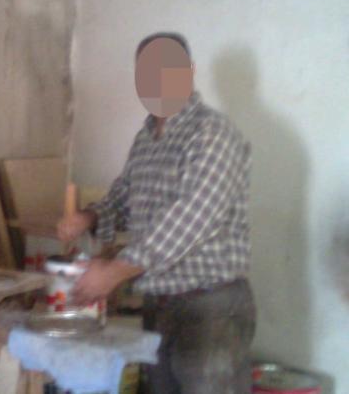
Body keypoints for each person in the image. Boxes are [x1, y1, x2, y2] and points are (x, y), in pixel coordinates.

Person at [57, 33, 256, 393]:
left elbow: (190, 218)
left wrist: (113, 272)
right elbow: (122, 197)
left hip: (210, 309)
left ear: (190, 72)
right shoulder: (146, 138)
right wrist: (89, 217)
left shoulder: (212, 133)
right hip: (160, 305)